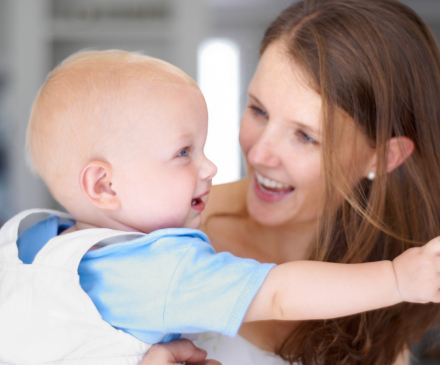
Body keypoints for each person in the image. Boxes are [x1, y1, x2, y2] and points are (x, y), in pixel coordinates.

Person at [0, 47, 439, 364]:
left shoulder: (35, 239)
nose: (212, 166)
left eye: (306, 135)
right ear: (104, 184)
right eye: (184, 152)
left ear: (382, 158)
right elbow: (281, 295)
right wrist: (398, 278)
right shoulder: (168, 267)